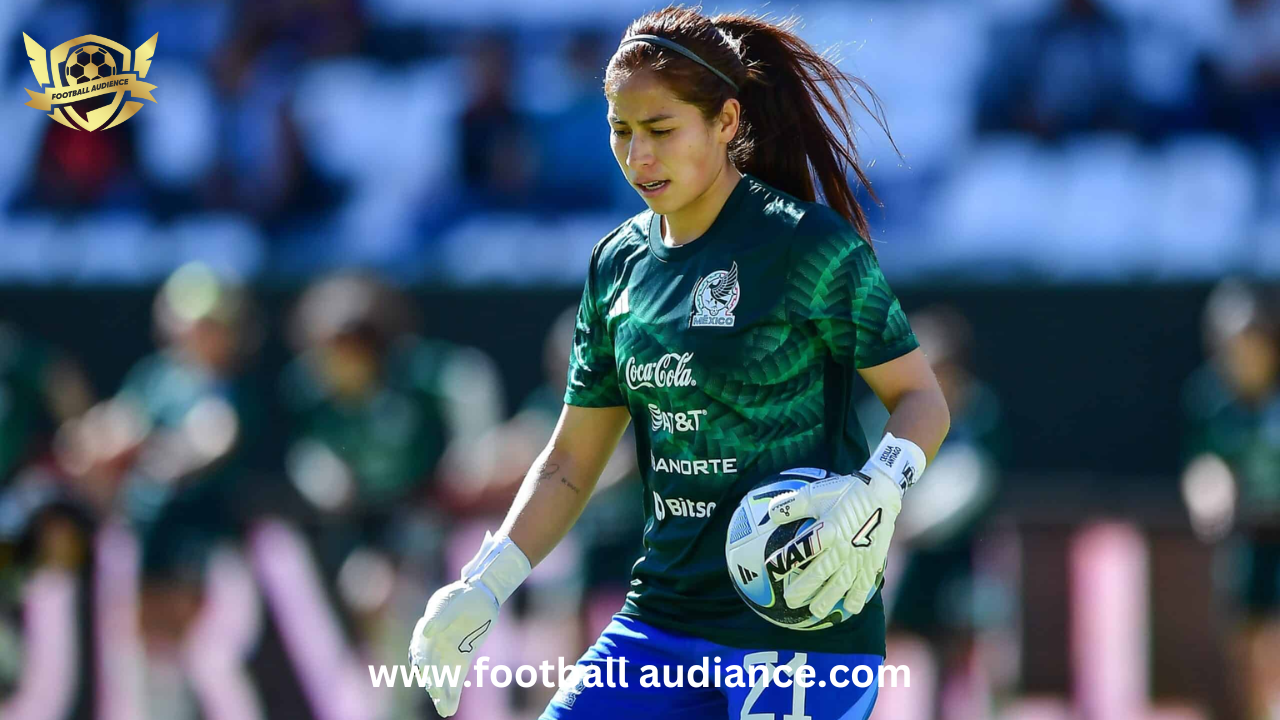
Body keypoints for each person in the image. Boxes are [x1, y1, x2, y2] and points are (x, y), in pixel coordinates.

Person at [408, 7, 951, 719]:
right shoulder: (616, 265)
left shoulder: (808, 247)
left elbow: (922, 400)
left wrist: (880, 487)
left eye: (661, 131)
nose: (638, 157)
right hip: (657, 626)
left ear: (726, 122)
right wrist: (483, 584)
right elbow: (571, 459)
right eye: (620, 130)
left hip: (802, 636)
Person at [1179, 279, 1280, 719]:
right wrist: (1206, 490)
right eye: (1226, 345)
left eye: (1245, 342)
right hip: (1248, 535)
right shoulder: (1211, 399)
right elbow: (1204, 463)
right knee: (1244, 643)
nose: (1236, 356)